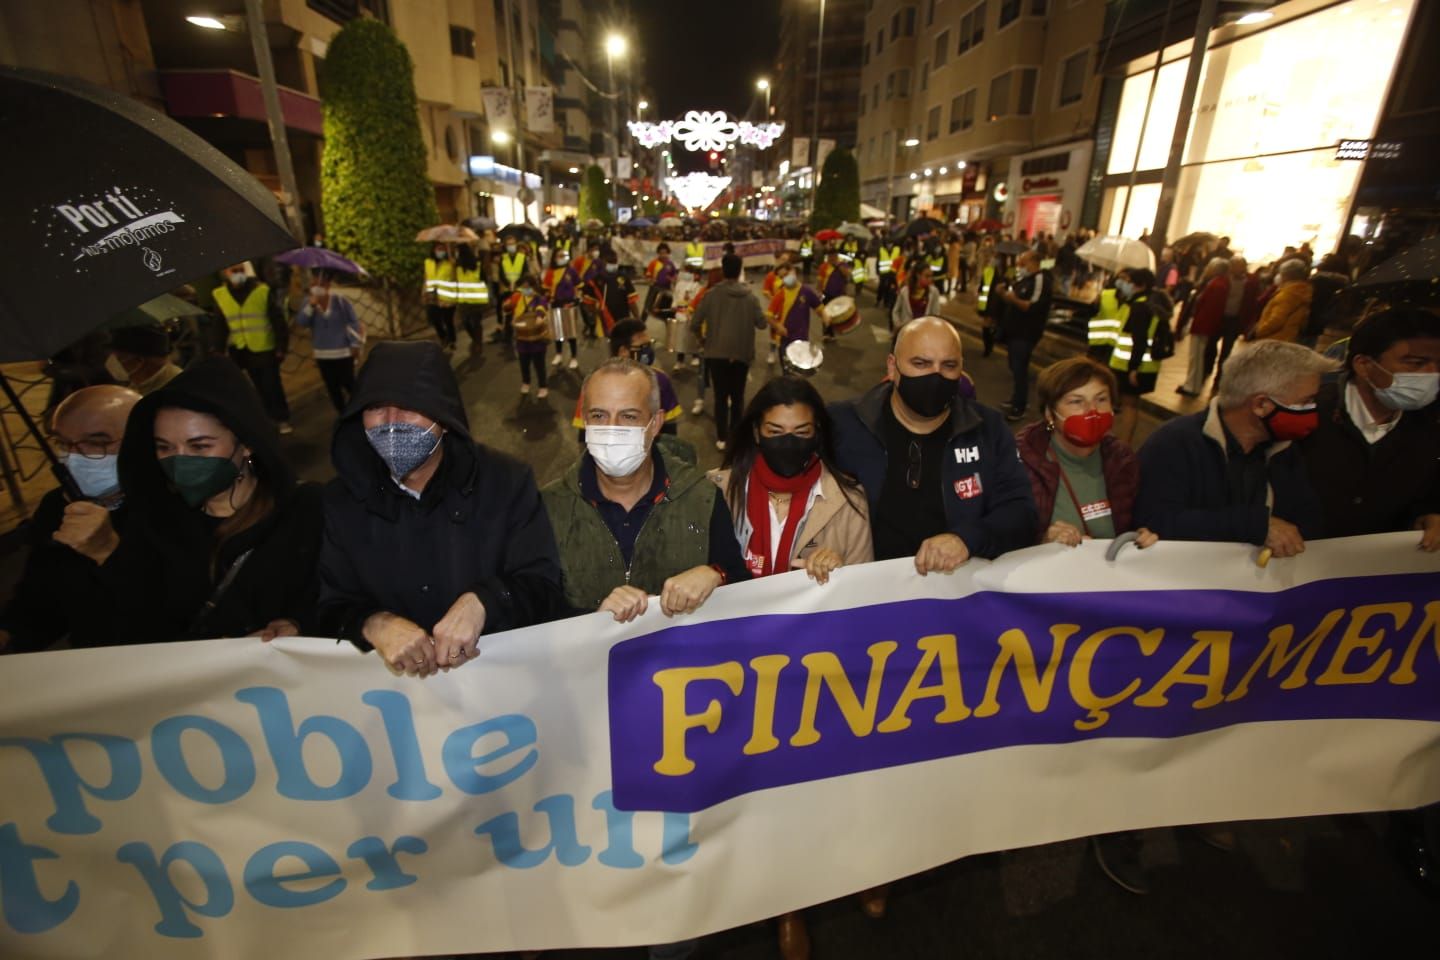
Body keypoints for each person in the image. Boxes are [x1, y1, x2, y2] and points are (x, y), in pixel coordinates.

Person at [711, 375, 874, 960]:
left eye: (801, 432)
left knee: (806, 790)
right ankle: (767, 891)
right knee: (747, 794)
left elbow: (865, 607)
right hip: (733, 673)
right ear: (755, 429)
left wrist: (842, 576)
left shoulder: (848, 499)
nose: (787, 442)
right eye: (775, 432)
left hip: (811, 675)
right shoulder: (714, 491)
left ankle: (795, 900)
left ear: (818, 434)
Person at [317, 342, 565, 675]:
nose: (391, 422)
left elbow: (542, 584)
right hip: (395, 708)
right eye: (376, 407)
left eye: (408, 406)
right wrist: (374, 623)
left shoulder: (507, 482)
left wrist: (484, 601)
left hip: (500, 691)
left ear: (445, 418)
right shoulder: (340, 502)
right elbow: (328, 603)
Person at [103, 357, 322, 644]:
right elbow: (134, 621)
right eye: (165, 447)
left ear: (246, 444)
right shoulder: (154, 520)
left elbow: (336, 596)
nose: (181, 460)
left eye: (200, 445)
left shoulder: (304, 509)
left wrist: (297, 624)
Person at [541, 359, 750, 621]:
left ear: (656, 423)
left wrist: (716, 575)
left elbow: (740, 582)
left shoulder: (701, 497)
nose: (612, 429)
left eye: (628, 416)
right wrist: (591, 620)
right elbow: (536, 608)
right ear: (584, 420)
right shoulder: (549, 507)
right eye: (599, 415)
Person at [831, 316, 1037, 572]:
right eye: (921, 363)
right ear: (892, 368)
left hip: (954, 594)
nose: (935, 376)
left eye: (948, 366)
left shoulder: (987, 429)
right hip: (867, 594)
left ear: (961, 369)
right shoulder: (844, 424)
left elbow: (1021, 513)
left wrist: (966, 539)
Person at [1135, 340, 1334, 553]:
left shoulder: (1285, 450)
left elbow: (1308, 519)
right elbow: (1155, 521)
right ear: (1261, 405)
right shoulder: (1174, 443)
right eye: (1305, 402)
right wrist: (1254, 526)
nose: (1313, 410)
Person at [0, 385, 139, 653]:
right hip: (86, 662)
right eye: (62, 444)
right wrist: (9, 633)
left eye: (97, 443)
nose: (74, 457)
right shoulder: (57, 505)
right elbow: (41, 599)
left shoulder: (179, 507)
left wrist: (108, 552)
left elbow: (173, 617)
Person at [1301, 307, 1440, 548]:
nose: (1431, 374)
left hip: (1377, 570)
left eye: (1438, 364)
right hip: (1295, 568)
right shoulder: (1306, 412)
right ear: (1364, 365)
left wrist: (1430, 514)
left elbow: (1428, 492)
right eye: (1416, 363)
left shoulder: (1430, 424)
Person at [1017, 357, 1158, 549]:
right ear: (1050, 414)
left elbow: (1134, 521)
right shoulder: (1022, 461)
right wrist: (1042, 542)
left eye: (1101, 399)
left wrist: (1142, 535)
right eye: (1076, 401)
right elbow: (1003, 536)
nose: (1092, 411)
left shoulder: (1121, 460)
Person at [690, 254, 766, 451]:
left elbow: (695, 323)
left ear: (723, 270)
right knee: (738, 397)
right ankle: (736, 436)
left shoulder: (711, 295)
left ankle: (722, 438)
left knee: (720, 397)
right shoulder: (750, 297)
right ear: (740, 270)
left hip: (716, 353)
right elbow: (762, 323)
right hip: (742, 353)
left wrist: (702, 339)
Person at [214, 262, 293, 433]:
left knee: (271, 385)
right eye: (234, 270)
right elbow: (220, 325)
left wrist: (281, 346)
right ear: (226, 272)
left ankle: (281, 418)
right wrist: (218, 350)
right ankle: (266, 418)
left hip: (264, 348)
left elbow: (278, 321)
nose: (238, 273)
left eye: (241, 270)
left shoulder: (261, 291)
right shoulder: (220, 295)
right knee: (254, 387)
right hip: (241, 350)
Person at [573, 319, 682, 440]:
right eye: (642, 346)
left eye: (649, 345)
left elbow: (669, 428)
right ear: (623, 351)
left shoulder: (661, 380)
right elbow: (584, 433)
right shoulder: (595, 384)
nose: (648, 351)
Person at [294, 270, 364, 412]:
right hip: (322, 354)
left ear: (328, 285)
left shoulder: (340, 301)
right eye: (313, 283)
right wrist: (311, 306)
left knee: (350, 384)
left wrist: (354, 344)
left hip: (343, 352)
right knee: (332, 387)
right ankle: (342, 414)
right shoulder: (308, 303)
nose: (316, 286)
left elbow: (353, 323)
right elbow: (301, 322)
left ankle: (360, 410)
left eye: (320, 283)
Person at [1107, 268, 1163, 444]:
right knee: (1127, 404)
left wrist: (1133, 369)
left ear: (1141, 285)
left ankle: (1124, 444)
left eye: (1130, 282)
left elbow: (1139, 340)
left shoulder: (1140, 307)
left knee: (1129, 405)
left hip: (1131, 366)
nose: (1126, 284)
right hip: (1133, 365)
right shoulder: (1146, 304)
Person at [997, 251, 1053, 422]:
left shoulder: (1040, 280)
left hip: (1026, 332)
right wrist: (1003, 295)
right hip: (1015, 331)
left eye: (1023, 262)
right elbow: (1015, 300)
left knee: (1020, 368)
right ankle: (1016, 398)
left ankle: (1019, 406)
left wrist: (1012, 299)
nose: (1020, 266)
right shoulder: (1025, 280)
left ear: (1034, 262)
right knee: (1014, 367)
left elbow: (1032, 307)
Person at [1176, 258, 1230, 396]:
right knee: (1196, 356)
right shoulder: (1215, 283)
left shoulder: (1218, 285)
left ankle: (1192, 386)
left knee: (1197, 356)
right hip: (1202, 324)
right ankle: (1192, 384)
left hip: (1203, 325)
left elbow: (1211, 310)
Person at [107, 324, 182, 396]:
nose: (113, 363)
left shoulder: (175, 389)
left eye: (119, 359)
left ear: (138, 361)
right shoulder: (139, 383)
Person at [508, 276, 552, 398]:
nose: (526, 289)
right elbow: (510, 309)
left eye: (528, 286)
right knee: (524, 363)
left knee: (539, 364)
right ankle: (526, 382)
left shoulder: (538, 299)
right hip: (522, 337)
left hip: (537, 338)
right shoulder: (518, 299)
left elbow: (541, 308)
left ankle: (542, 386)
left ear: (534, 286)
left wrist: (539, 316)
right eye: (523, 287)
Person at [1251, 258, 1312, 343]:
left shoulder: (1288, 294)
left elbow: (1276, 320)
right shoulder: (1301, 290)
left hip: (1274, 340)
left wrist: (1257, 332)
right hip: (1287, 338)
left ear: (1287, 275)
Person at [586, 247, 639, 337]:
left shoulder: (623, 278)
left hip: (623, 321)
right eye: (609, 261)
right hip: (604, 323)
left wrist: (637, 319)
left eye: (615, 261)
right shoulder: (595, 281)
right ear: (602, 261)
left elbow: (632, 301)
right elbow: (589, 303)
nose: (613, 264)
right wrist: (597, 312)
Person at [543, 248, 582, 369]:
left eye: (563, 255)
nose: (562, 258)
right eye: (559, 256)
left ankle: (574, 357)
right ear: (554, 257)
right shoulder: (550, 272)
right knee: (558, 331)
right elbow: (545, 288)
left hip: (569, 304)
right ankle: (558, 354)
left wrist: (577, 299)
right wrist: (548, 299)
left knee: (571, 332)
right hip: (556, 304)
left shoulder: (571, 271)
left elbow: (579, 286)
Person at [453, 244, 492, 356]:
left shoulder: (477, 265)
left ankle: (478, 343)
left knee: (476, 323)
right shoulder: (458, 267)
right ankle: (475, 339)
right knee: (465, 322)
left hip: (476, 300)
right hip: (464, 300)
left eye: (457, 252)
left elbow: (484, 279)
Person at [495, 238, 532, 341]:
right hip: (507, 288)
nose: (510, 246)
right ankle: (508, 335)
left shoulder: (522, 257)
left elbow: (525, 272)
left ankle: (523, 332)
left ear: (516, 245)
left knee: (522, 311)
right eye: (508, 244)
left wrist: (517, 283)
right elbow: (501, 273)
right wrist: (508, 284)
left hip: (519, 288)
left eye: (512, 244)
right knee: (508, 312)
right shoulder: (503, 258)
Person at [423, 244, 458, 350]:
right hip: (432, 296)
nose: (440, 251)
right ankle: (443, 337)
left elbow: (456, 278)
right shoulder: (428, 262)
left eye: (443, 249)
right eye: (438, 249)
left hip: (448, 296)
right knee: (434, 319)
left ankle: (452, 340)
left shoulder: (450, 263)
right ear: (433, 250)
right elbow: (425, 277)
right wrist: (423, 291)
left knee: (448, 320)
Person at [889, 263, 941, 331]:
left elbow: (935, 314)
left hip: (924, 331)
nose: (930, 279)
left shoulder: (933, 292)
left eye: (931, 276)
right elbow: (896, 311)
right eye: (927, 276)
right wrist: (898, 325)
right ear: (918, 275)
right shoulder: (905, 291)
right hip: (906, 331)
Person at [643, 242, 678, 321]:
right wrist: (650, 280)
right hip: (654, 288)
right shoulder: (653, 263)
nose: (663, 255)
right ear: (658, 253)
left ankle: (666, 322)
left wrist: (672, 279)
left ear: (668, 253)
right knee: (647, 307)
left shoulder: (670, 264)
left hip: (666, 289)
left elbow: (674, 276)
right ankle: (641, 323)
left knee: (665, 308)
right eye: (661, 253)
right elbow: (647, 276)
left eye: (665, 253)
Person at [875, 236, 902, 308]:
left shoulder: (897, 250)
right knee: (882, 287)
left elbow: (899, 260)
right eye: (887, 243)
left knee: (889, 288)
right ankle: (878, 300)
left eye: (891, 243)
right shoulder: (881, 250)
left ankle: (886, 302)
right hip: (883, 272)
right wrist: (877, 270)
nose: (889, 245)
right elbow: (878, 261)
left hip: (893, 272)